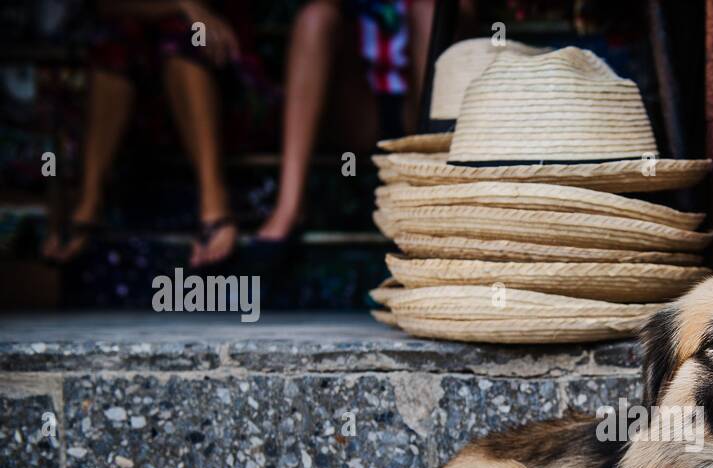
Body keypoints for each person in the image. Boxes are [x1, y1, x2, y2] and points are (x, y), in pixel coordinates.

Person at [42, 0, 243, 268]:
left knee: (188, 35)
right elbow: (103, 7)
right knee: (115, 40)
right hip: (140, 71)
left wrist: (187, 12)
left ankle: (214, 207)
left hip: (216, 63)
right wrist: (183, 4)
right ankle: (88, 204)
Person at [253, 0, 434, 250]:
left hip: (421, 97)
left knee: (432, 11)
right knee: (316, 16)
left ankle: (437, 198)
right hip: (357, 97)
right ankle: (289, 207)